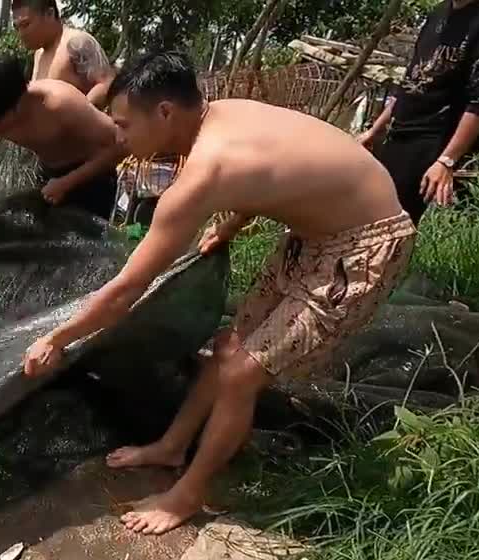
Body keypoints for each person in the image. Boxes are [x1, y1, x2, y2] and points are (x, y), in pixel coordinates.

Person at [22, 51, 417, 535]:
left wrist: (57, 339)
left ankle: (188, 496)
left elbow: (125, 291)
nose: (119, 138)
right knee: (228, 347)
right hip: (313, 235)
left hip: (366, 244)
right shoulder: (223, 113)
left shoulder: (204, 172)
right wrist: (231, 223)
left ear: (165, 112)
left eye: (125, 125)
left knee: (239, 376)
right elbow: (278, 171)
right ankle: (172, 447)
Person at [0, 56, 127, 254]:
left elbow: (121, 146)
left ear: (19, 101)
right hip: (50, 177)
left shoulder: (61, 104)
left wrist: (67, 182)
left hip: (93, 179)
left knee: (83, 252)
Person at [358, 0, 479, 225]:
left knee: (393, 223)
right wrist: (375, 130)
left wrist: (446, 161)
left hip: (431, 139)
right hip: (398, 131)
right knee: (367, 213)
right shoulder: (439, 13)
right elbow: (410, 81)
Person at [10, 0, 116, 107]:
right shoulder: (39, 54)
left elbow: (107, 84)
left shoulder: (77, 42)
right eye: (17, 27)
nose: (21, 33)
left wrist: (81, 114)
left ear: (49, 14)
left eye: (26, 24)